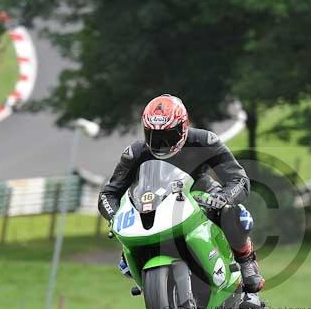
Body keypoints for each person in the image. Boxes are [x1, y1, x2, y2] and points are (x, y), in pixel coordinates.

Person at [98, 94, 264, 292]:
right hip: (156, 204)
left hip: (202, 195)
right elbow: (109, 194)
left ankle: (246, 260)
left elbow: (239, 179)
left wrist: (224, 197)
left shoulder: (205, 141)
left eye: (168, 135)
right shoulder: (135, 153)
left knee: (233, 212)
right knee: (127, 251)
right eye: (152, 135)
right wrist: (115, 216)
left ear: (183, 127)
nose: (160, 142)